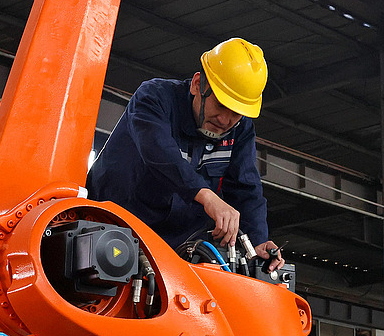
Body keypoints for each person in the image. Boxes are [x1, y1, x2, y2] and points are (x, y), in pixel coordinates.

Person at [88, 37, 282, 272]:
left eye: (236, 114)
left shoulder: (240, 130)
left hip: (176, 251)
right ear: (197, 84)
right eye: (220, 105)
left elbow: (246, 187)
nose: (224, 121)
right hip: (108, 227)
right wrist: (208, 197)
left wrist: (258, 241)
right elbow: (160, 153)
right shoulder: (153, 98)